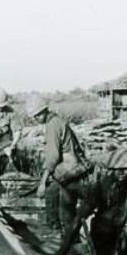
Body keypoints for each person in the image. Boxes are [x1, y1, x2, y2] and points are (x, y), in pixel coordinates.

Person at [27, 94, 93, 233]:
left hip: (71, 168)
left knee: (62, 204)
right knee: (52, 192)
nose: (35, 119)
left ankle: (63, 235)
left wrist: (42, 183)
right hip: (75, 165)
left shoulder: (52, 126)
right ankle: (55, 228)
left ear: (44, 111)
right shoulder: (55, 121)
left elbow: (53, 157)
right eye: (34, 116)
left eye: (37, 115)